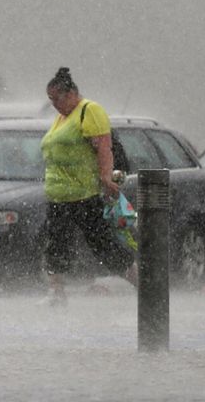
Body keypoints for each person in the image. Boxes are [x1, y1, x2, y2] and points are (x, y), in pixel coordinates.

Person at [38, 66, 137, 306]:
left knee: (102, 243)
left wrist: (106, 177)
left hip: (84, 194)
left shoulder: (89, 111)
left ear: (71, 93)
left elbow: (104, 147)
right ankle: (57, 293)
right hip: (60, 196)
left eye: (57, 98)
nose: (54, 104)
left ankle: (142, 282)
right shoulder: (62, 118)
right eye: (50, 100)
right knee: (56, 244)